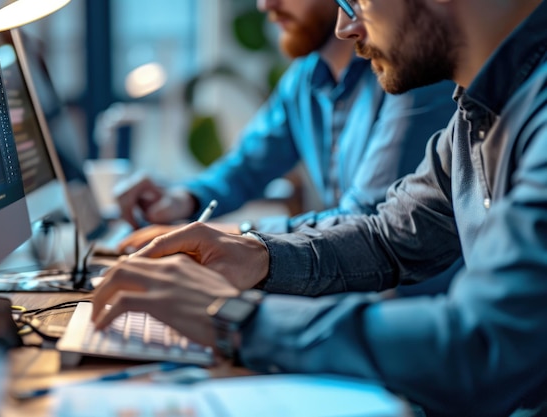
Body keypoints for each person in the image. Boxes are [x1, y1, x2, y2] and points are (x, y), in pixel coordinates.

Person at [92, 0, 547, 415]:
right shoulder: (476, 114)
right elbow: (387, 238)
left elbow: (484, 345)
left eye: (357, 1)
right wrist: (257, 254)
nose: (346, 27)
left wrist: (235, 319)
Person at [115, 0, 456, 251]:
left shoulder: (409, 76)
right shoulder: (304, 80)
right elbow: (246, 167)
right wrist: (182, 199)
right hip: (349, 293)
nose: (267, 5)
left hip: (409, 315)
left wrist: (237, 237)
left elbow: (368, 222)